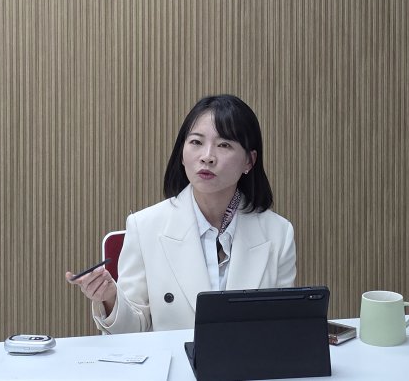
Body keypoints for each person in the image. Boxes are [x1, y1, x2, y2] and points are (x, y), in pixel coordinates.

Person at [66, 94, 296, 333]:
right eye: (196, 142)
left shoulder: (278, 233)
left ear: (249, 160)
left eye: (224, 145)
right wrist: (109, 298)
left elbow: (282, 327)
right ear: (182, 153)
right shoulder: (144, 227)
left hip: (248, 357)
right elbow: (134, 331)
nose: (207, 156)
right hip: (172, 357)